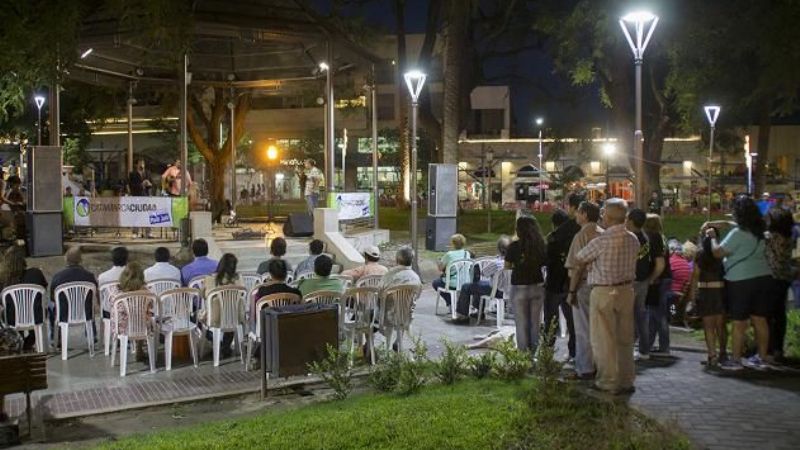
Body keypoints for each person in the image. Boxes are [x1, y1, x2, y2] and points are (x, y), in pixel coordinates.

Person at [575, 198, 640, 395]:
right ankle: (626, 379)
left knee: (603, 339)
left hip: (603, 290)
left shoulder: (601, 241)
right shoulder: (633, 239)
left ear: (606, 215)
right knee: (625, 337)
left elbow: (580, 258)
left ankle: (608, 381)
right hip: (626, 290)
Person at [703, 195, 772, 371]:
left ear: (738, 214)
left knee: (739, 321)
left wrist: (712, 237)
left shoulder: (738, 234)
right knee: (760, 319)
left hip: (740, 280)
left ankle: (736, 360)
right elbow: (741, 228)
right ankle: (762, 358)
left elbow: (718, 253)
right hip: (764, 278)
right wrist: (726, 224)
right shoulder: (761, 232)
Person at [565, 201, 603, 379]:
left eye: (578, 212)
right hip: (600, 285)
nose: (575, 215)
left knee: (583, 329)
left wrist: (571, 291)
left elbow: (576, 267)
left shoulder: (581, 235)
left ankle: (585, 368)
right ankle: (598, 365)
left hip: (583, 285)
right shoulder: (602, 233)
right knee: (598, 329)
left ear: (585, 214)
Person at [505, 216, 547, 355]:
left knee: (521, 323)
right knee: (535, 323)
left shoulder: (514, 246)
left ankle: (523, 354)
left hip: (519, 287)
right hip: (537, 285)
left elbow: (507, 266)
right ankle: (534, 352)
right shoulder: (541, 245)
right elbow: (545, 264)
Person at [686, 229, 727, 367]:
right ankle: (723, 353)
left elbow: (695, 276)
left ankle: (712, 355)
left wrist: (692, 298)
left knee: (708, 326)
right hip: (720, 291)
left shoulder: (700, 254)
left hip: (705, 291)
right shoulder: (721, 253)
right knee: (720, 326)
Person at [626, 208, 660, 361]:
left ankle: (628, 348)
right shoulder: (646, 238)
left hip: (631, 281)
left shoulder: (630, 238)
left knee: (628, 316)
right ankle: (644, 350)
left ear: (631, 221)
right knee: (641, 316)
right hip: (644, 281)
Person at [543, 209, 579, 358]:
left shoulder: (553, 239)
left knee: (551, 320)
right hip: (569, 283)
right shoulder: (575, 238)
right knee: (572, 321)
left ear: (554, 224)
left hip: (553, 284)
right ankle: (573, 351)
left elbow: (546, 260)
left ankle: (548, 351)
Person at [0, 242, 47, 350]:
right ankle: (29, 340)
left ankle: (19, 340)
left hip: (13, 318)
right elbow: (43, 290)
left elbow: (2, 302)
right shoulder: (35, 273)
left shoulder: (4, 281)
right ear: (23, 260)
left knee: (7, 312)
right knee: (36, 309)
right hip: (36, 315)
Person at [453, 236, 510, 324]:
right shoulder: (516, 261)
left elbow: (484, 273)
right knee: (480, 285)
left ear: (499, 249)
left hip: (498, 291)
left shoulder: (497, 263)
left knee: (466, 287)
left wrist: (494, 261)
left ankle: (463, 316)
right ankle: (478, 312)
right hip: (512, 292)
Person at [764, 207, 795, 362]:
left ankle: (767, 350)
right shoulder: (789, 237)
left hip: (771, 278)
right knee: (779, 315)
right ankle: (778, 349)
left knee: (767, 315)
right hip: (784, 278)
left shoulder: (770, 236)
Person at [199, 253, 243, 358]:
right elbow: (242, 293)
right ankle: (225, 346)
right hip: (235, 317)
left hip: (215, 319)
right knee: (230, 317)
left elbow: (203, 295)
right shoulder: (238, 279)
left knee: (198, 317)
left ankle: (217, 344)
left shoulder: (210, 279)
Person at [50, 247, 97, 342]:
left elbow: (52, 297)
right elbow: (93, 295)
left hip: (63, 313)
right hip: (85, 313)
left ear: (66, 259)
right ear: (80, 260)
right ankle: (92, 334)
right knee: (89, 305)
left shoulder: (58, 277)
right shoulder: (89, 276)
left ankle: (56, 338)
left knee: (51, 305)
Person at [643, 214, 671, 355]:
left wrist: (651, 278)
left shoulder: (654, 238)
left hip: (658, 279)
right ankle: (652, 343)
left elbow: (659, 263)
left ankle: (664, 346)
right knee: (654, 312)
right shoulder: (662, 238)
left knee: (658, 313)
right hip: (664, 278)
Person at [253, 259, 302, 330]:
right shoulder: (296, 293)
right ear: (286, 274)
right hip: (290, 328)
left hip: (268, 330)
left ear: (270, 274)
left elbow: (256, 315)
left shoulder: (261, 292)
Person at [432, 234, 472, 315]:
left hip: (452, 283)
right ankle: (455, 303)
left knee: (436, 283)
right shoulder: (467, 253)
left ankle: (451, 302)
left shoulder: (449, 254)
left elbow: (440, 268)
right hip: (465, 282)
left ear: (453, 244)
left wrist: (438, 261)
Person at [128, 159, 153, 238]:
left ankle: (148, 232)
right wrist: (141, 185)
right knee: (136, 215)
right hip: (136, 196)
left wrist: (149, 184)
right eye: (140, 164)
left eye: (143, 163)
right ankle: (135, 232)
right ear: (137, 165)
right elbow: (131, 186)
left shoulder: (147, 173)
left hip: (146, 197)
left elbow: (152, 184)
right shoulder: (133, 174)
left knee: (147, 215)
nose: (142, 165)